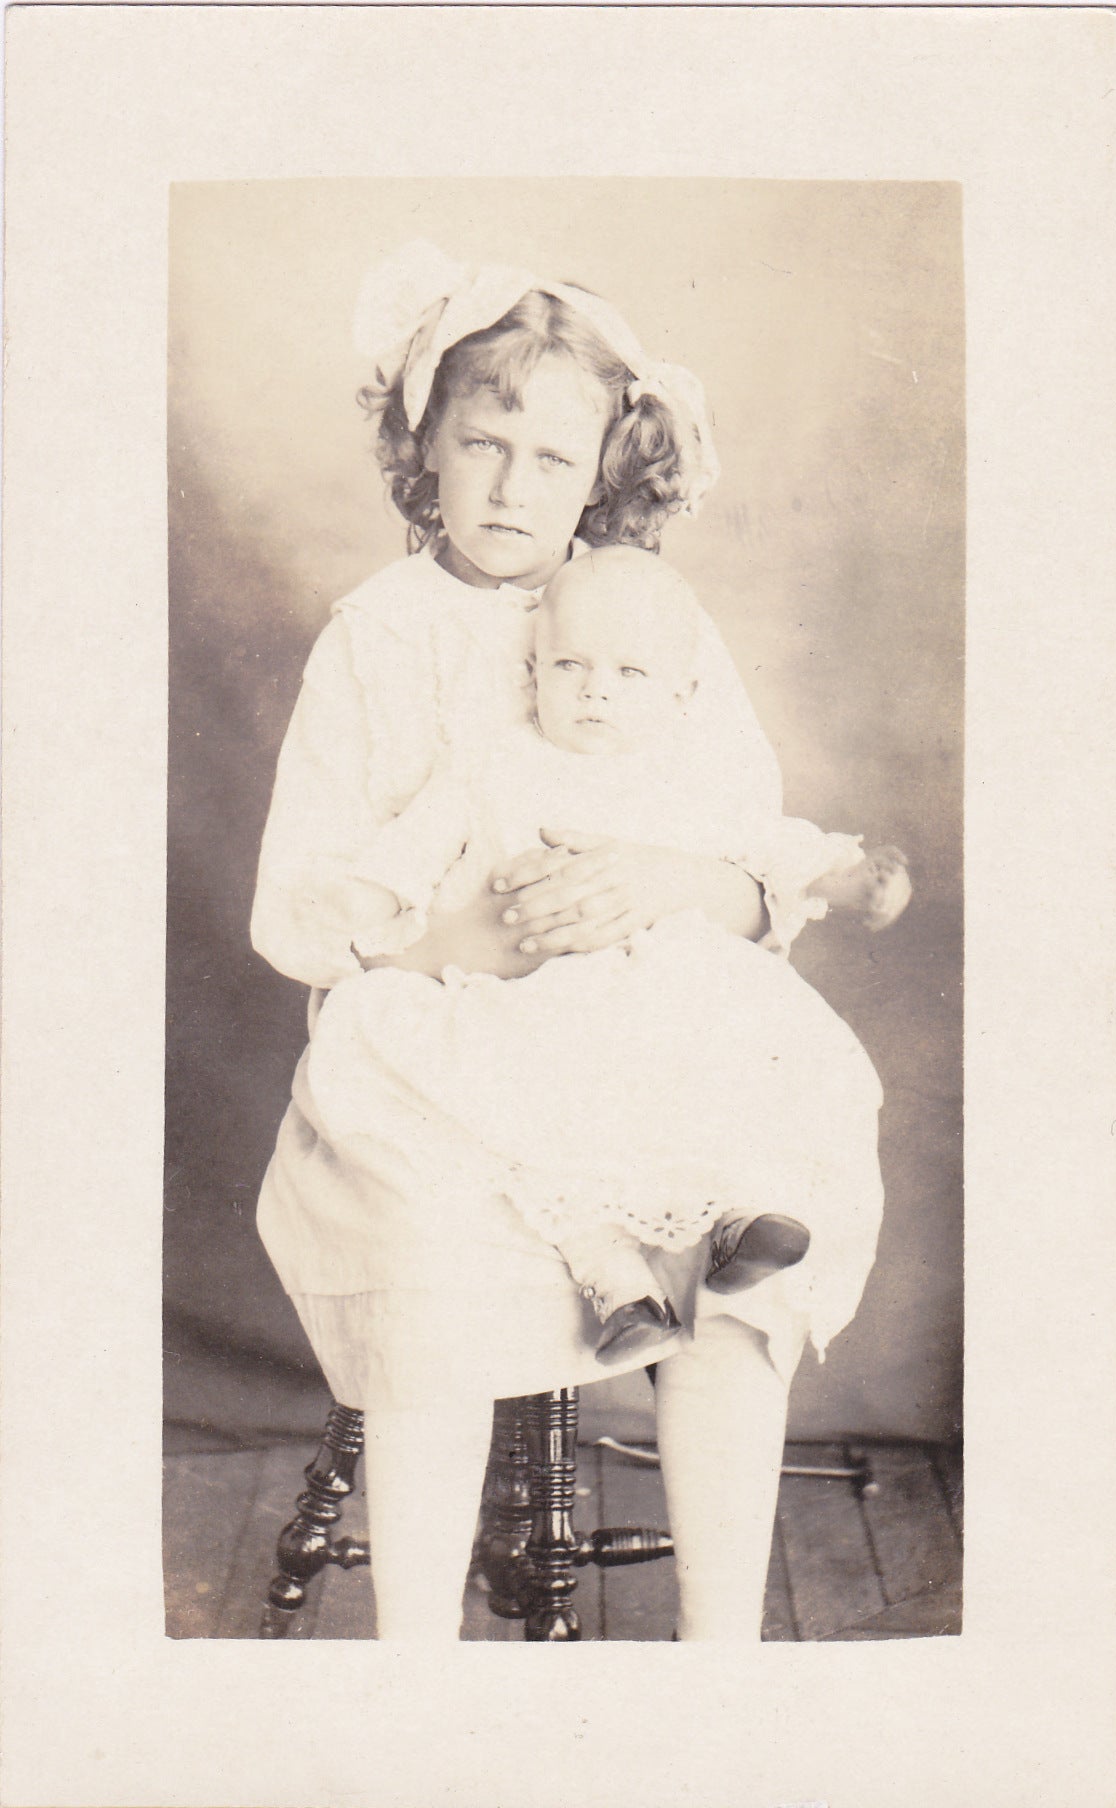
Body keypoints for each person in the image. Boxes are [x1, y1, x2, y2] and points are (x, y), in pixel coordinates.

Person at [250, 240, 903, 1641]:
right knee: (432, 1262)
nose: (509, 485)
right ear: (422, 443)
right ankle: (413, 1670)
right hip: (441, 1043)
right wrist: (457, 937)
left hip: (645, 1023)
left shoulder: (647, 619)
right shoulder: (379, 637)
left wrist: (675, 879)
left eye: (550, 457)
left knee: (746, 1226)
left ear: (601, 467)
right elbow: (303, 914)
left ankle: (719, 1655)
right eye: (480, 443)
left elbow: (751, 856)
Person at [304, 543, 910, 1371]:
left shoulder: (686, 778)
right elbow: (414, 847)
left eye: (629, 673)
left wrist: (849, 879)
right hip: (534, 995)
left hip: (662, 996)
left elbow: (773, 846)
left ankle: (740, 1216)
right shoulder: (492, 762)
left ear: (681, 694)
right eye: (570, 665)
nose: (596, 690)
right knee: (512, 1111)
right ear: (533, 672)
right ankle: (616, 1280)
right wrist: (373, 907)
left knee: (738, 1058)